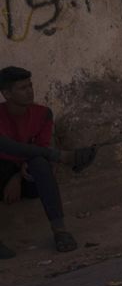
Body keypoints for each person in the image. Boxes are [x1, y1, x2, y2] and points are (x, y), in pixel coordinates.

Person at [0, 67, 96, 255]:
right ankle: (63, 157)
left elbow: (42, 148)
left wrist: (18, 177)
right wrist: (58, 155)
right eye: (22, 88)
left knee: (39, 162)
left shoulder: (42, 114)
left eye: (30, 86)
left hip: (27, 175)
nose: (29, 91)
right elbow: (5, 147)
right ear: (6, 94)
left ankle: (60, 231)